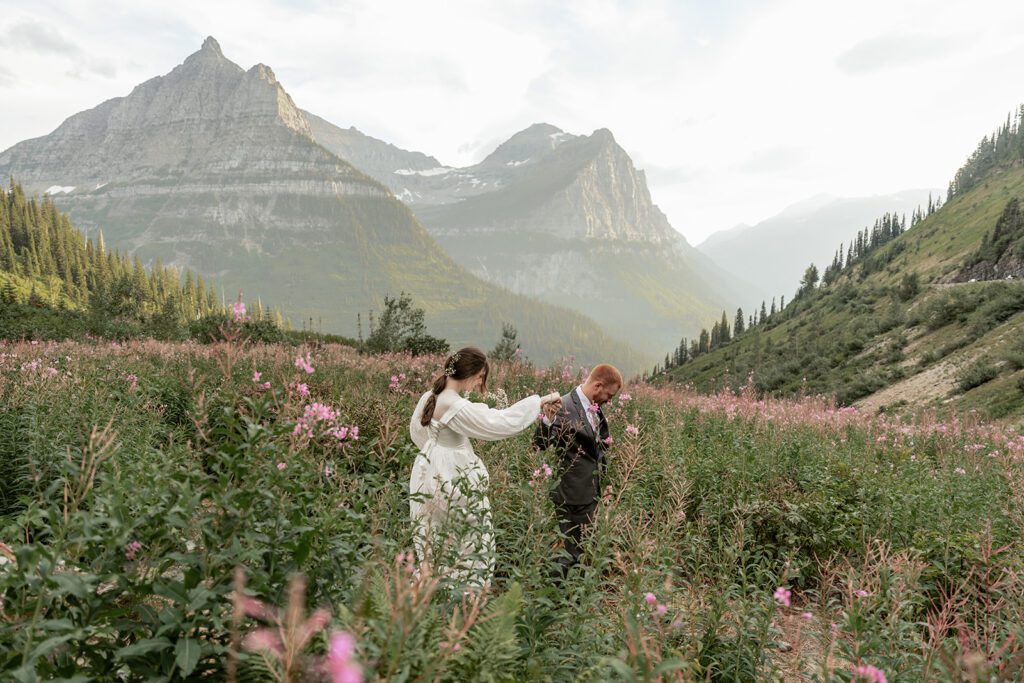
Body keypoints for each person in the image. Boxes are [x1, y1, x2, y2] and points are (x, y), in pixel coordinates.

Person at [409, 347, 561, 588]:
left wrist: (436, 452)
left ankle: (432, 589)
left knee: (434, 532)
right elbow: (498, 423)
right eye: (481, 377)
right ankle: (463, 594)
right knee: (471, 535)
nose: (479, 383)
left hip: (428, 468)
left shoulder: (431, 396)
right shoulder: (454, 405)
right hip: (452, 475)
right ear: (472, 373)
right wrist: (538, 402)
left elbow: (417, 432)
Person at [534, 364, 622, 579]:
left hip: (590, 492)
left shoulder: (595, 409)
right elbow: (538, 445)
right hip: (570, 495)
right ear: (598, 385)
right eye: (608, 395)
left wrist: (604, 480)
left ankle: (571, 595)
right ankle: (557, 598)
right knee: (569, 553)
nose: (609, 401)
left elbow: (597, 450)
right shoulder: (562, 406)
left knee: (582, 550)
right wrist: (547, 420)